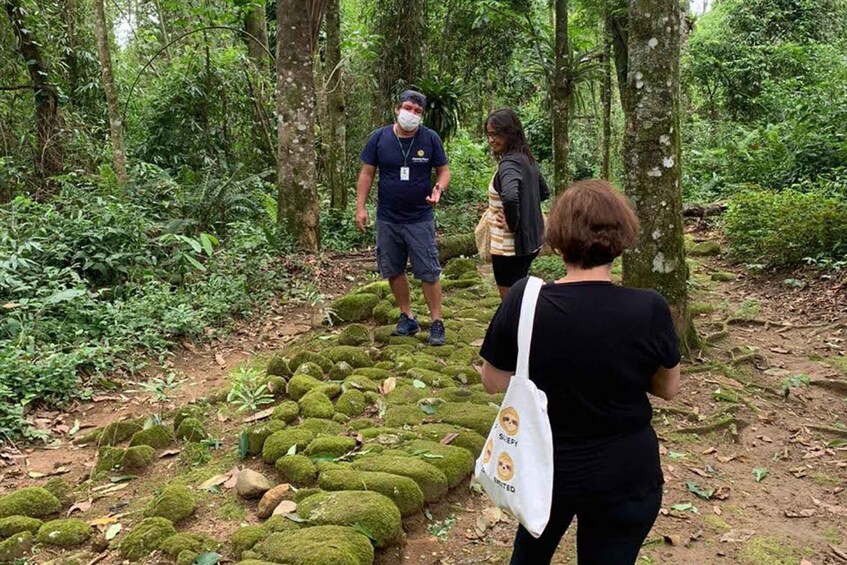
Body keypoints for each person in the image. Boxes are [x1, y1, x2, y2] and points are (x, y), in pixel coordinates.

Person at [478, 179, 681, 565]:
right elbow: (668, 388)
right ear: (621, 239)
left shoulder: (525, 298)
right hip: (626, 471)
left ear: (556, 239)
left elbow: (493, 381)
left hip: (544, 468)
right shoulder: (650, 308)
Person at [355, 90, 451, 345]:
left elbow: (443, 171)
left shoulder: (430, 139)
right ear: (398, 108)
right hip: (388, 217)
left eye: (418, 112)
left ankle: (436, 322)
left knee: (428, 270)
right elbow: (367, 173)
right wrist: (361, 208)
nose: (412, 114)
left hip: (419, 217)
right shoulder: (379, 138)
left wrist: (439, 188)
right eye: (409, 108)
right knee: (393, 268)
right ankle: (407, 316)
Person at [484, 109, 549, 300]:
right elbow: (543, 192)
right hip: (530, 243)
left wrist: (513, 222)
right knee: (519, 293)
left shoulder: (509, 164)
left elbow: (511, 197)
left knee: (510, 301)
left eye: (496, 134)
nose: (491, 139)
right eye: (489, 134)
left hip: (508, 247)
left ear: (510, 132)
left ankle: (514, 329)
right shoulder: (527, 159)